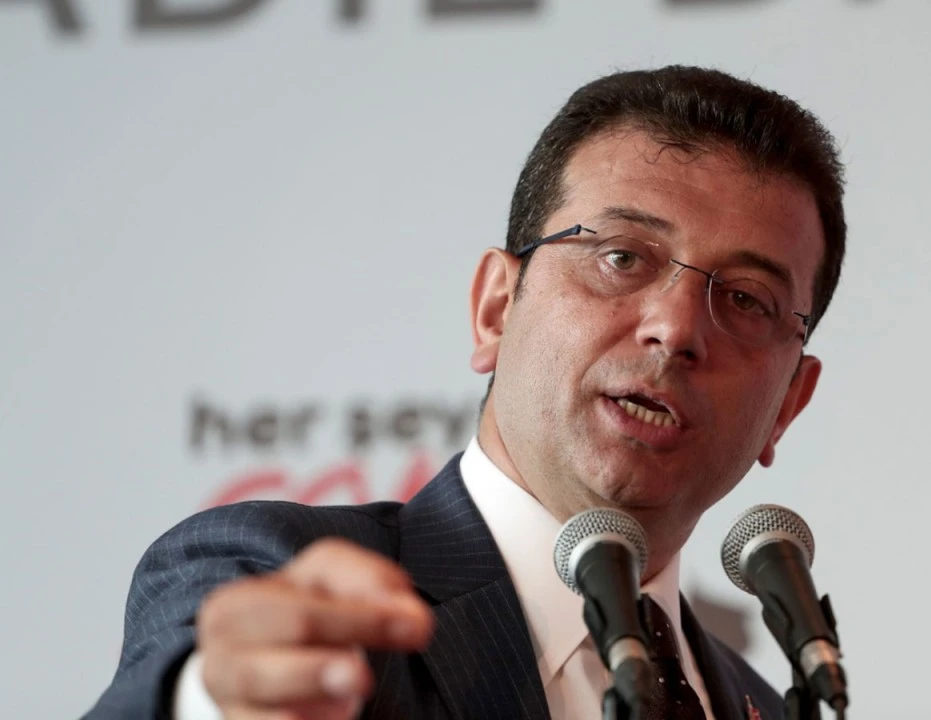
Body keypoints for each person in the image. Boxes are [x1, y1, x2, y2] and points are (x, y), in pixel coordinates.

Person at [83, 64, 847, 720]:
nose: (675, 329)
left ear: (787, 405)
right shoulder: (286, 579)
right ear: (495, 308)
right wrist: (212, 701)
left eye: (746, 300)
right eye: (622, 258)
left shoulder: (764, 702)